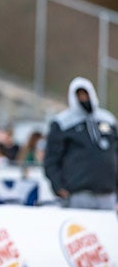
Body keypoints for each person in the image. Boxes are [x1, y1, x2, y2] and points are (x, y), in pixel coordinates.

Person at [43, 76, 118, 210]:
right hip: (79, 194)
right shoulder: (63, 123)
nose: (84, 99)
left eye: (85, 94)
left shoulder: (108, 120)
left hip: (108, 194)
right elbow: (51, 159)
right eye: (79, 95)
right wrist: (58, 186)